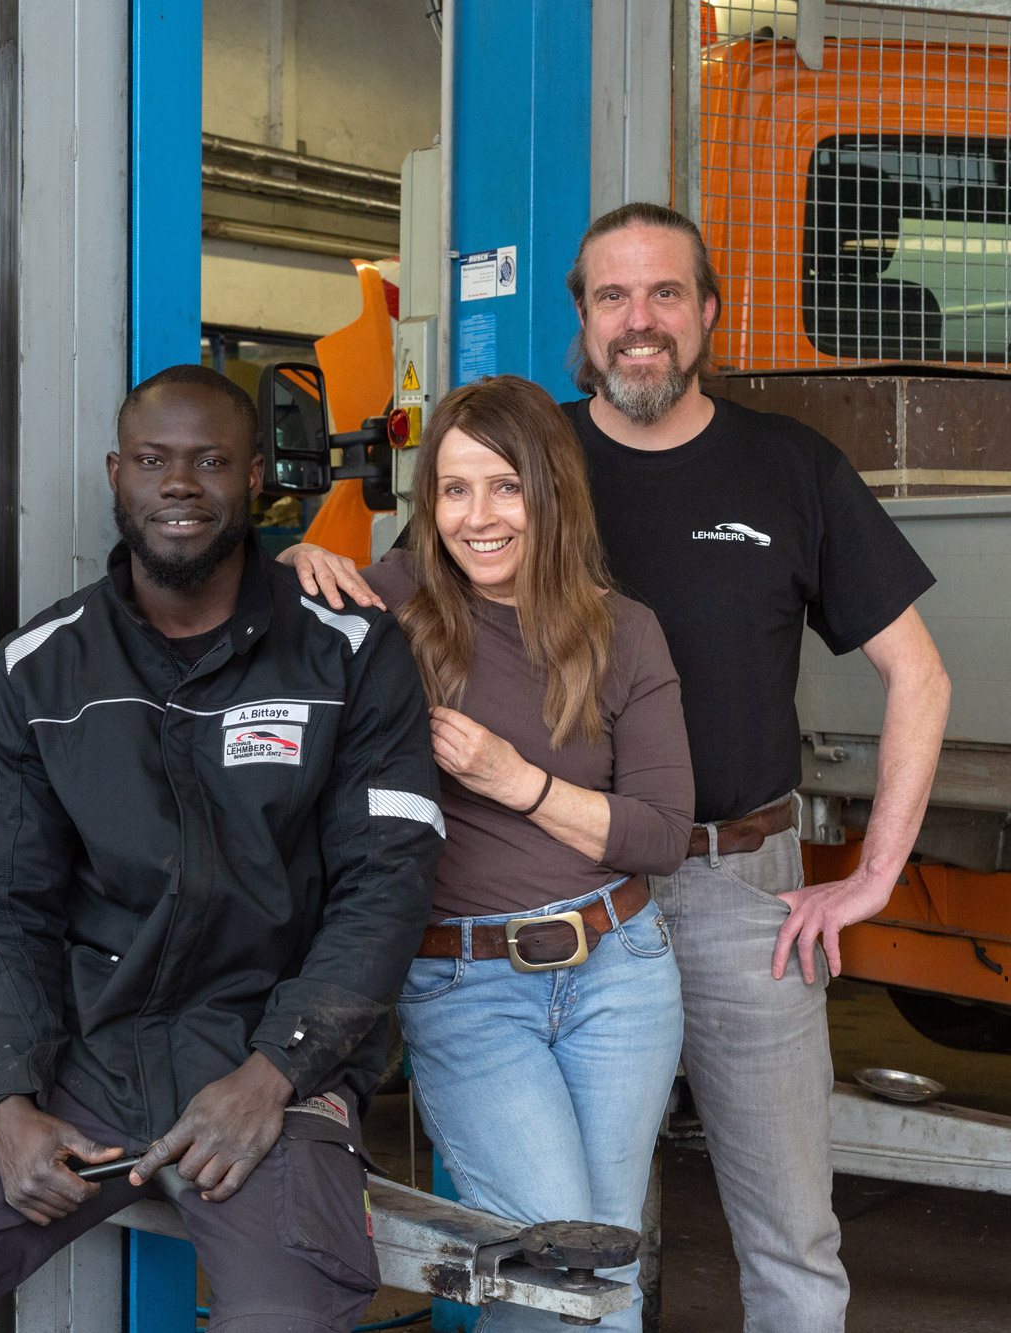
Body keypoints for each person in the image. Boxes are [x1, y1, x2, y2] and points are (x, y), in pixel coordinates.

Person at [285, 204, 950, 1333]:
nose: (638, 323)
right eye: (610, 299)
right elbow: (406, 588)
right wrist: (311, 554)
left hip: (744, 895)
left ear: (706, 312)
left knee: (787, 1228)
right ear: (580, 324)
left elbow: (919, 676)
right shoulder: (524, 458)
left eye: (663, 296)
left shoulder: (787, 465)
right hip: (557, 899)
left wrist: (873, 873)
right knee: (591, 1240)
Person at [0, 364, 445, 1332]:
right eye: (153, 460)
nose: (179, 484)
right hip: (84, 1055)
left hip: (264, 1060)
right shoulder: (40, 669)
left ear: (253, 482)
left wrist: (275, 1074)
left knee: (283, 1317)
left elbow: (387, 883)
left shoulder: (348, 651)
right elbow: (2, 906)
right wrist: (6, 1098)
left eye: (210, 461)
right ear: (116, 474)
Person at [357, 375, 693, 1331]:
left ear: (553, 491)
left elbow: (663, 832)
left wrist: (517, 781)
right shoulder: (395, 608)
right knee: (558, 1261)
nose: (479, 516)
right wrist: (302, 553)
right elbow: (272, 610)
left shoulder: (622, 631)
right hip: (466, 987)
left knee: (599, 1263)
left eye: (505, 486)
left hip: (621, 972)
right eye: (453, 490)